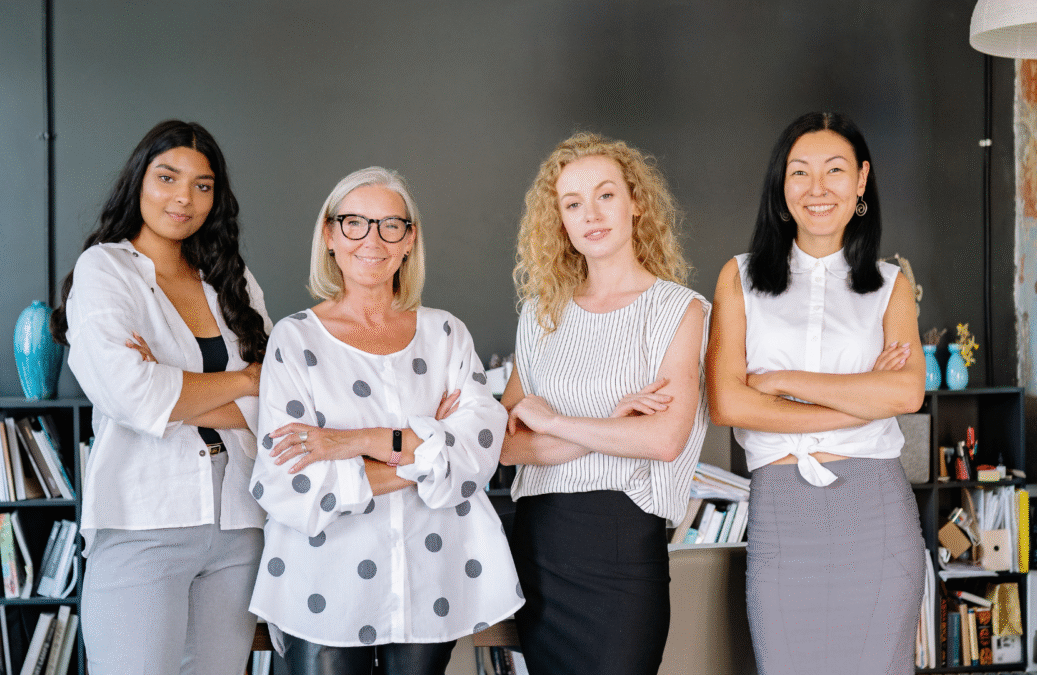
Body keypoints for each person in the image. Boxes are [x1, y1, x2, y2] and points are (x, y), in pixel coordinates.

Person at [247, 167, 522, 675]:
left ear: (408, 240)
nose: (372, 239)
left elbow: (481, 448)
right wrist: (427, 447)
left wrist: (351, 442)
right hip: (324, 582)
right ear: (329, 235)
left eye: (390, 225)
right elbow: (290, 479)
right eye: (354, 223)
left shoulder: (446, 334)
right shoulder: (295, 338)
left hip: (430, 577)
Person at [706, 111, 926, 675]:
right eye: (799, 172)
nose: (817, 187)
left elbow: (905, 394)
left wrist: (781, 383)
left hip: (875, 510)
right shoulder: (740, 277)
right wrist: (858, 398)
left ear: (861, 182)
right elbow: (730, 403)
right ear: (782, 188)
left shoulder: (890, 285)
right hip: (784, 512)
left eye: (834, 170)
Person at [50, 120, 270, 675]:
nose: (184, 197)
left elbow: (283, 399)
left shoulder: (230, 277)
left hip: (239, 521)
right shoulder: (105, 270)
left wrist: (174, 387)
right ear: (138, 182)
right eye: (167, 177)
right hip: (143, 517)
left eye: (203, 184)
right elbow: (130, 392)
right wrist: (244, 382)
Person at [500, 132, 710, 675]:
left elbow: (664, 440)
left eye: (606, 195)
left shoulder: (679, 311)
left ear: (636, 202)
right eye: (572, 204)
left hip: (622, 541)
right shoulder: (540, 314)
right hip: (541, 541)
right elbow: (504, 446)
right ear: (560, 223)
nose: (590, 213)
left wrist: (553, 422)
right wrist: (607, 426)